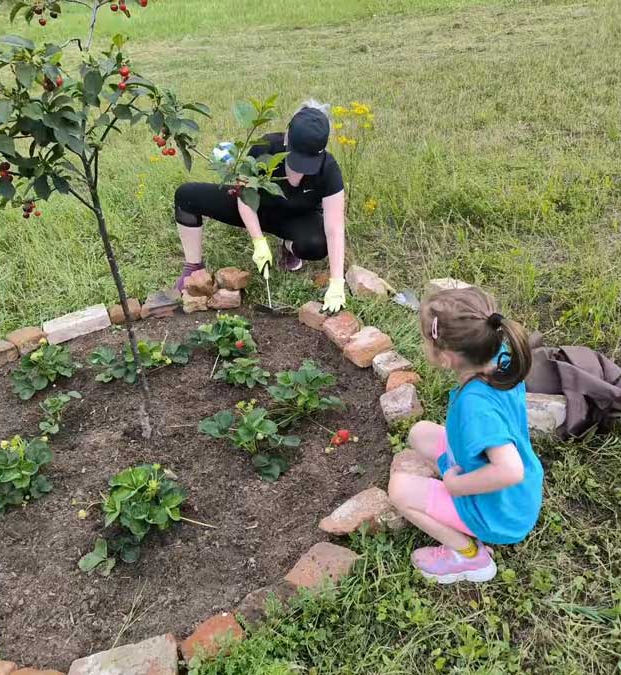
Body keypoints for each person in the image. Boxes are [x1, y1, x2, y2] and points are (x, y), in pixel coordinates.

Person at [387, 286, 545, 584]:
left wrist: (456, 485)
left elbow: (510, 470)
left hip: (499, 513)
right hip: (510, 495)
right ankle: (451, 495)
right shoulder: (499, 358)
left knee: (399, 491)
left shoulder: (476, 407)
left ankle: (469, 556)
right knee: (420, 433)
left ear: (445, 358)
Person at [171, 100, 348, 313]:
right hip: (257, 207)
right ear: (287, 138)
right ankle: (193, 267)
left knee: (317, 244)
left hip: (295, 218)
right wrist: (258, 241)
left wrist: (337, 282)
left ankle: (288, 246)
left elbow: (335, 229)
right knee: (186, 196)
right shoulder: (265, 148)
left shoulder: (328, 169)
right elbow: (244, 196)